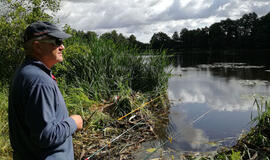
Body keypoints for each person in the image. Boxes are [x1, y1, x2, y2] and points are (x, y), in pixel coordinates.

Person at [8, 21, 83, 160]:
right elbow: (45, 136)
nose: (63, 47)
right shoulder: (39, 81)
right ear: (37, 46)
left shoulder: (25, 72)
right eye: (57, 41)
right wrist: (73, 122)